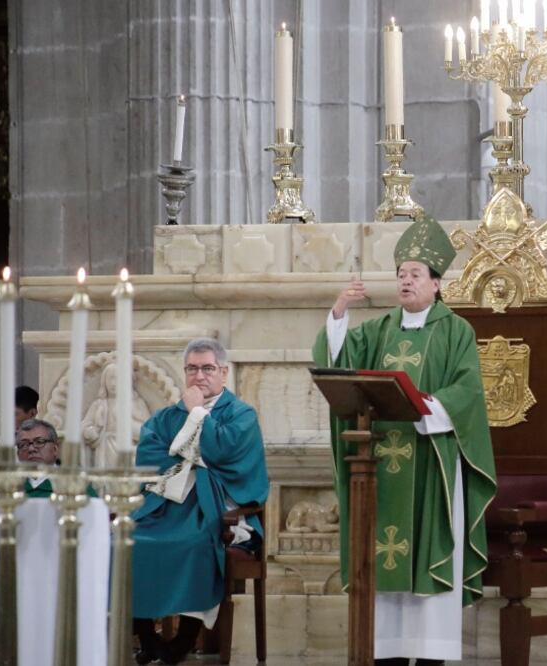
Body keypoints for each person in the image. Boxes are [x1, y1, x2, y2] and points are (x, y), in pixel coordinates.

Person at [312, 215, 497, 665]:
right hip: (378, 468)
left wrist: (425, 407)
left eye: (415, 274)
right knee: (383, 559)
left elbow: (468, 391)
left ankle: (431, 655)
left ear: (436, 283)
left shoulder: (456, 331)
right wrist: (339, 311)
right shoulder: (378, 330)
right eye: (400, 274)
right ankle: (387, 652)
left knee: (427, 558)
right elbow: (338, 362)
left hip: (431, 463)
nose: (406, 281)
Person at [131, 338, 269, 665]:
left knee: (195, 544)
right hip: (166, 506)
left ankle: (183, 640)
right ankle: (147, 637)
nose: (199, 376)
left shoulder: (241, 414)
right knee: (129, 542)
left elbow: (225, 451)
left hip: (213, 508)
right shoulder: (167, 417)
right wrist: (196, 455)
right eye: (192, 368)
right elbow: (148, 458)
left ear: (223, 372)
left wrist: (196, 417)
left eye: (208, 368)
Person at [81, 363, 150, 468]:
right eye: (110, 378)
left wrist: (128, 425)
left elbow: (148, 433)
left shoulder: (136, 403)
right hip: (104, 451)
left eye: (118, 378)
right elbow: (84, 426)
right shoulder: (98, 404)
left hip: (127, 449)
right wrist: (90, 431)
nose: (113, 383)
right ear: (104, 381)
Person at [15, 418, 61, 497]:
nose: (31, 449)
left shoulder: (72, 484)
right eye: (24, 444)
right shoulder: (9, 486)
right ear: (18, 453)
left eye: (39, 442)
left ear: (55, 449)